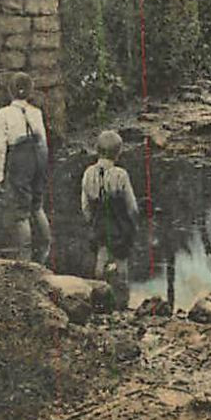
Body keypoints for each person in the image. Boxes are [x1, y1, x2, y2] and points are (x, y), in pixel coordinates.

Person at [0, 72, 50, 264]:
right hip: (38, 156)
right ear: (30, 91)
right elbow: (43, 141)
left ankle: (26, 257)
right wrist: (42, 167)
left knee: (21, 211)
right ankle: (45, 249)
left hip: (21, 157)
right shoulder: (36, 112)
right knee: (37, 205)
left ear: (10, 92)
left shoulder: (3, 113)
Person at [80, 129, 139, 307]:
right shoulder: (120, 175)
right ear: (118, 153)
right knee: (121, 262)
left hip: (99, 224)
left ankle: (100, 295)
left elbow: (85, 206)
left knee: (101, 257)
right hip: (119, 226)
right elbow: (132, 206)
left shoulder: (88, 173)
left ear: (97, 149)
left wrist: (91, 222)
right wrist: (133, 226)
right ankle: (122, 301)